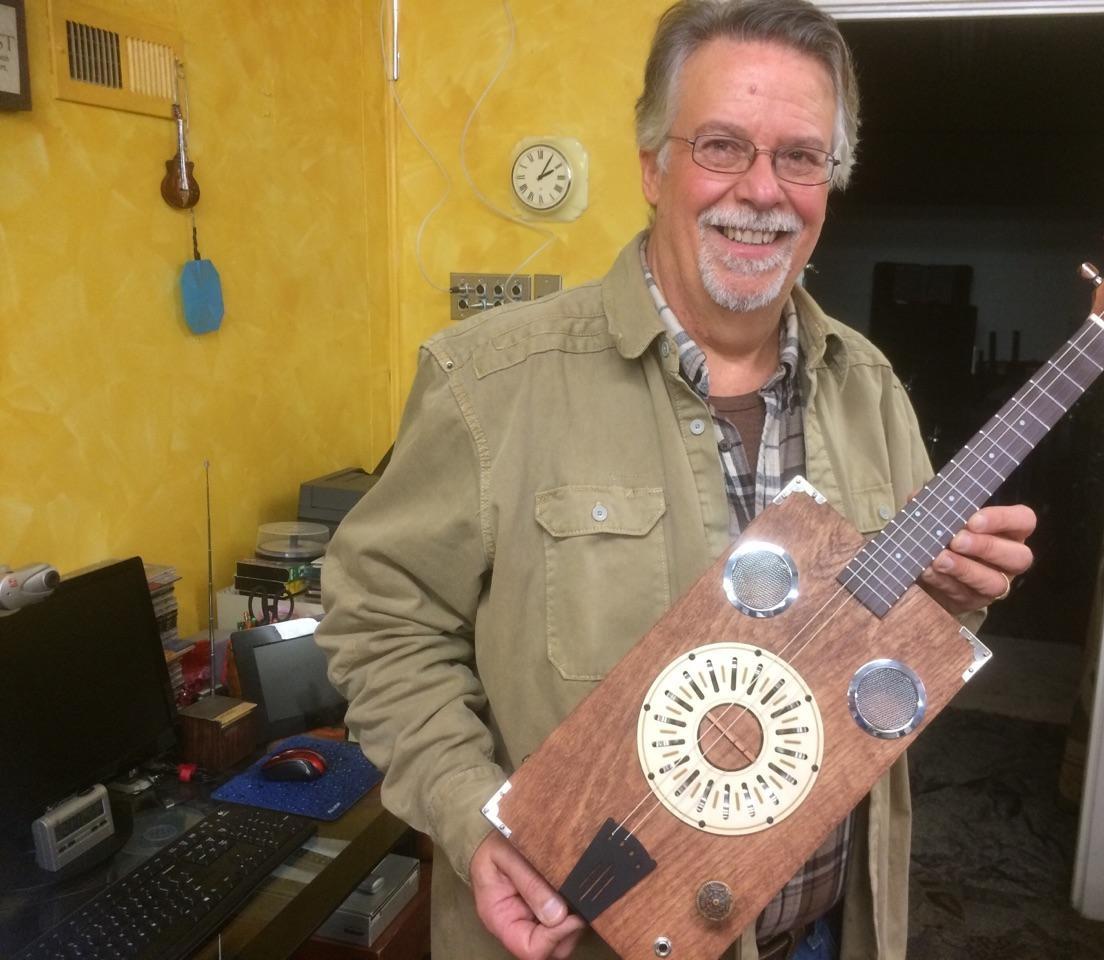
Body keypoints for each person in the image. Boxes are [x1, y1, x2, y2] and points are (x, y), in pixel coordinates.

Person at [315, 1, 1035, 958]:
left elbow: (891, 651)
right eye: (724, 146)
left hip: (824, 933)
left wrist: (950, 600)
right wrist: (468, 812)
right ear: (654, 166)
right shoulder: (489, 384)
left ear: (831, 182)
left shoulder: (871, 390)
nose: (763, 191)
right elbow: (383, 624)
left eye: (800, 156)